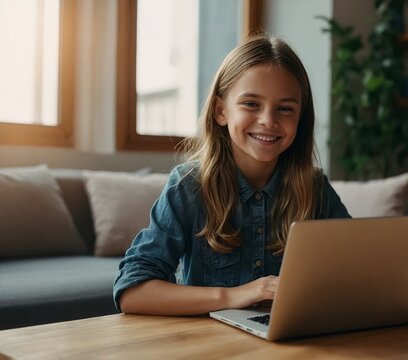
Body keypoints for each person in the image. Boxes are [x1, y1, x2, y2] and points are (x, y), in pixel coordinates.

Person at [113, 35, 351, 316]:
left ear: (300, 118)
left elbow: (356, 270)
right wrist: (235, 295)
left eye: (285, 108)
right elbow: (132, 292)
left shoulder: (315, 188)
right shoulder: (189, 186)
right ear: (221, 111)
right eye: (251, 104)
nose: (268, 120)